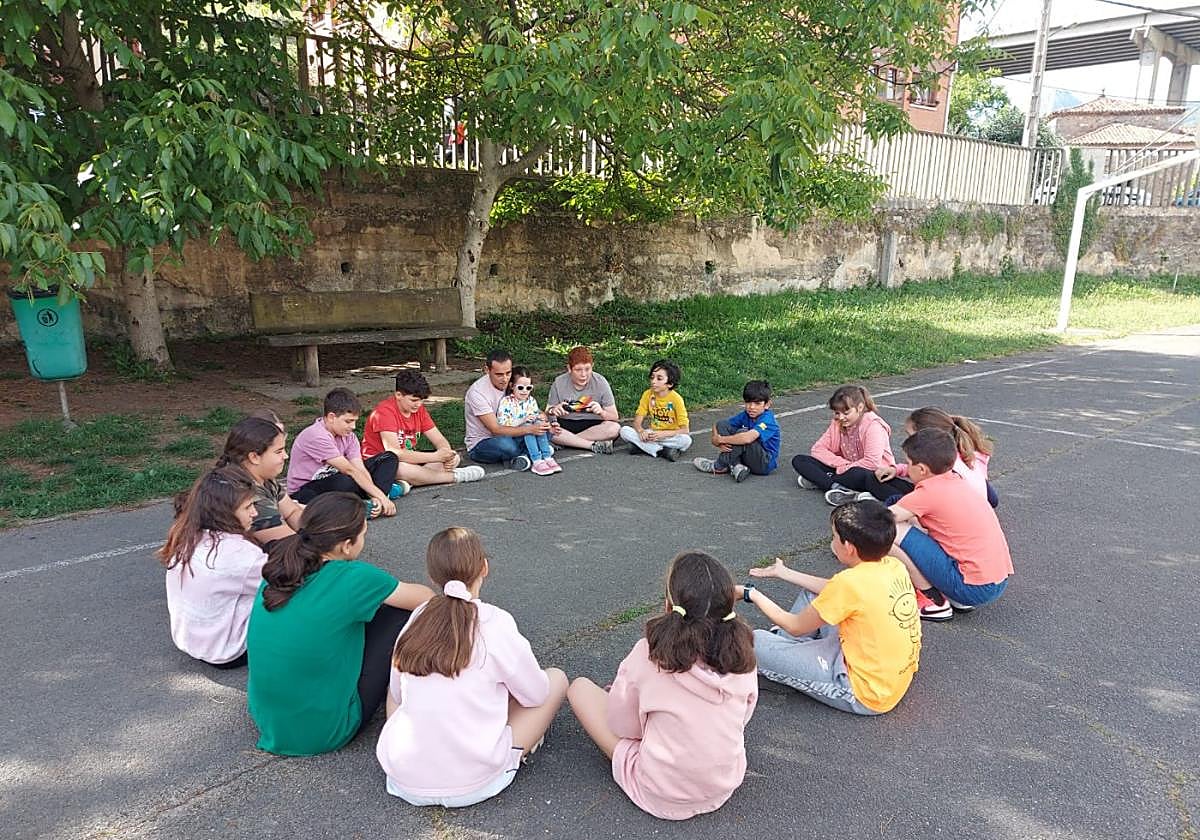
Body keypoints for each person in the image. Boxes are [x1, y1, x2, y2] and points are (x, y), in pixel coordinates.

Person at [375, 527, 568, 807]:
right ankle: (515, 748)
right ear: (484, 568)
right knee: (556, 679)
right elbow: (536, 695)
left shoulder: (418, 616)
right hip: (477, 781)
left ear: (432, 576)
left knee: (398, 690)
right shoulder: (496, 623)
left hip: (403, 778)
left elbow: (398, 694)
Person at [567, 551, 758, 821]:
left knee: (579, 688)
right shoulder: (743, 655)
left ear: (669, 606)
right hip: (722, 786)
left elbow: (623, 727)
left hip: (658, 791)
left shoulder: (650, 654)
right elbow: (743, 716)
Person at [246, 493, 434, 756]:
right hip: (325, 731)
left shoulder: (279, 566)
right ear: (346, 545)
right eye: (363, 534)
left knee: (363, 609)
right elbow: (426, 599)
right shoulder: (355, 578)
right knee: (398, 613)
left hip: (269, 721)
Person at [740, 500, 921, 715]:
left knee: (750, 643)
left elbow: (795, 626)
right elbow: (833, 591)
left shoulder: (850, 583)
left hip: (863, 691)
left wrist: (750, 594)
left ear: (849, 548)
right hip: (884, 673)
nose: (832, 541)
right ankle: (786, 653)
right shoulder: (893, 565)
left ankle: (782, 653)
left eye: (834, 536)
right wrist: (784, 573)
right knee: (814, 595)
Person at [888, 428, 1014, 622]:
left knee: (887, 531)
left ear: (921, 469)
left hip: (971, 588)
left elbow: (879, 520)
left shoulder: (928, 493)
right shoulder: (957, 481)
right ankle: (954, 595)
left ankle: (932, 600)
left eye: (908, 463)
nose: (907, 466)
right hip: (996, 581)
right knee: (915, 524)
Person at [158, 466, 266, 668]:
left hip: (189, 640)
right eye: (248, 507)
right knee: (291, 599)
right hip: (229, 651)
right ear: (225, 512)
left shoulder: (187, 534)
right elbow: (283, 584)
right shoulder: (241, 554)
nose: (255, 512)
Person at [286, 387, 400, 517]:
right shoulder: (316, 435)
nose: (353, 427)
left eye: (355, 421)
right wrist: (380, 496)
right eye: (348, 421)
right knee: (345, 480)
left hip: (337, 483)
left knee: (388, 458)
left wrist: (376, 497)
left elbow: (359, 468)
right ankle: (367, 502)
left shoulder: (349, 436)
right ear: (331, 417)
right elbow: (349, 470)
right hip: (306, 492)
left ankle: (371, 503)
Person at [361, 370, 485, 487]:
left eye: (422, 400)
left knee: (454, 457)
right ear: (398, 395)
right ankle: (453, 476)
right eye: (414, 400)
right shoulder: (384, 412)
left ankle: (415, 480)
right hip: (382, 463)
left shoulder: (418, 409)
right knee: (401, 469)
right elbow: (395, 452)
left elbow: (439, 440)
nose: (418, 404)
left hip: (409, 460)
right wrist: (437, 457)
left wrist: (446, 453)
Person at [863, 406, 998, 508]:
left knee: (881, 487)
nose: (908, 440)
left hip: (957, 508)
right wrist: (897, 469)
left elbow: (927, 494)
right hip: (975, 503)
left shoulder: (946, 466)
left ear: (927, 437)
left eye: (911, 436)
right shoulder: (964, 451)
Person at [790, 384, 900, 505]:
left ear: (860, 407)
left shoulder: (873, 426)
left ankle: (823, 481)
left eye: (846, 413)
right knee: (800, 460)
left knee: (856, 474)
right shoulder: (837, 423)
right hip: (846, 468)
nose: (841, 417)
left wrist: (844, 469)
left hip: (871, 474)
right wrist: (843, 465)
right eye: (837, 413)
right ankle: (838, 488)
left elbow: (871, 462)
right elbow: (818, 449)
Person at [217, 415, 303, 547]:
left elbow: (292, 512)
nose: (286, 456)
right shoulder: (244, 492)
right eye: (279, 451)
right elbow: (290, 546)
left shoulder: (263, 477)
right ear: (254, 457)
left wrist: (323, 530)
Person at [464, 348, 549, 472]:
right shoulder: (477, 393)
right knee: (507, 445)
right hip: (484, 442)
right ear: (487, 370)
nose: (504, 379)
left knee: (547, 429)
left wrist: (542, 417)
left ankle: (525, 456)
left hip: (513, 431)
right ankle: (534, 452)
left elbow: (526, 405)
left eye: (508, 373)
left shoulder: (511, 382)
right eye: (499, 374)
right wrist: (530, 429)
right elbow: (496, 429)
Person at [693, 380, 781, 482]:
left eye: (757, 403)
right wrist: (715, 440)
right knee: (722, 424)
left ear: (767, 404)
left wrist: (721, 439)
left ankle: (719, 465)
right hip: (748, 457)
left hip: (763, 463)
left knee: (742, 434)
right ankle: (737, 466)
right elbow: (717, 426)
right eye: (748, 402)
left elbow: (747, 438)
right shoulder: (746, 415)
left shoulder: (768, 420)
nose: (751, 407)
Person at [546, 346, 620, 455]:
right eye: (578, 370)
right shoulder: (559, 382)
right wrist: (553, 411)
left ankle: (566, 442)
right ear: (569, 368)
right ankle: (591, 445)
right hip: (565, 424)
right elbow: (547, 413)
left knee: (615, 428)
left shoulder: (601, 382)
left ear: (592, 366)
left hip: (593, 425)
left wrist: (601, 412)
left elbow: (614, 416)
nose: (583, 375)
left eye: (587, 369)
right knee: (545, 427)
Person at [619, 359, 691, 461]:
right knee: (624, 431)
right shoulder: (647, 394)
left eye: (659, 379)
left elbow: (685, 430)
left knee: (686, 440)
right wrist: (641, 431)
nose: (653, 381)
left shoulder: (676, 399)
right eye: (652, 377)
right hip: (652, 433)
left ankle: (642, 447)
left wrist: (662, 434)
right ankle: (662, 451)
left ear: (670, 384)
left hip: (669, 435)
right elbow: (637, 421)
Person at [497, 366, 562, 476]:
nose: (525, 391)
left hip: (532, 434)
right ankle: (536, 460)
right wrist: (522, 420)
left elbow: (536, 416)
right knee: (529, 428)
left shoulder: (531, 401)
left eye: (528, 388)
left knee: (538, 424)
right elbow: (504, 424)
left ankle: (546, 456)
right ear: (512, 386)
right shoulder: (506, 402)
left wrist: (543, 421)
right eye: (520, 387)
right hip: (515, 436)